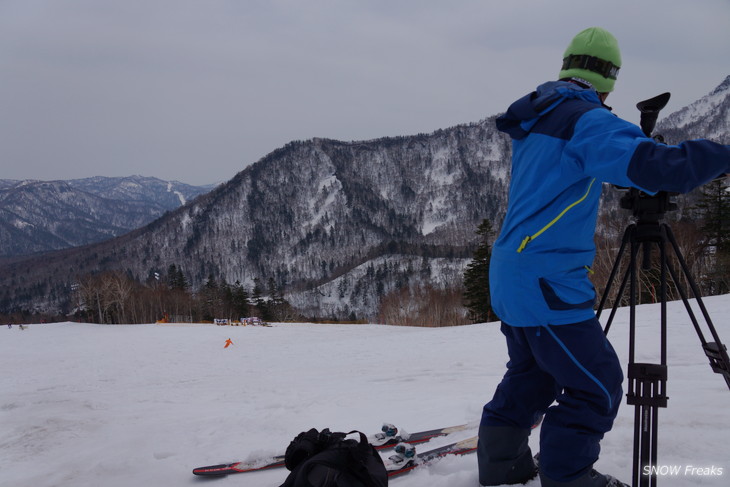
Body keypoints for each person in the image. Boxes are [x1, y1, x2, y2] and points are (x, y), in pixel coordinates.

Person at [478, 27, 730, 487]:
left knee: (531, 373)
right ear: (610, 76)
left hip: (511, 272)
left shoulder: (541, 114)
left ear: (566, 64)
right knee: (596, 386)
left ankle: (500, 468)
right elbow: (658, 169)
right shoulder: (586, 120)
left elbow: (570, 171)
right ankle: (569, 478)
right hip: (547, 281)